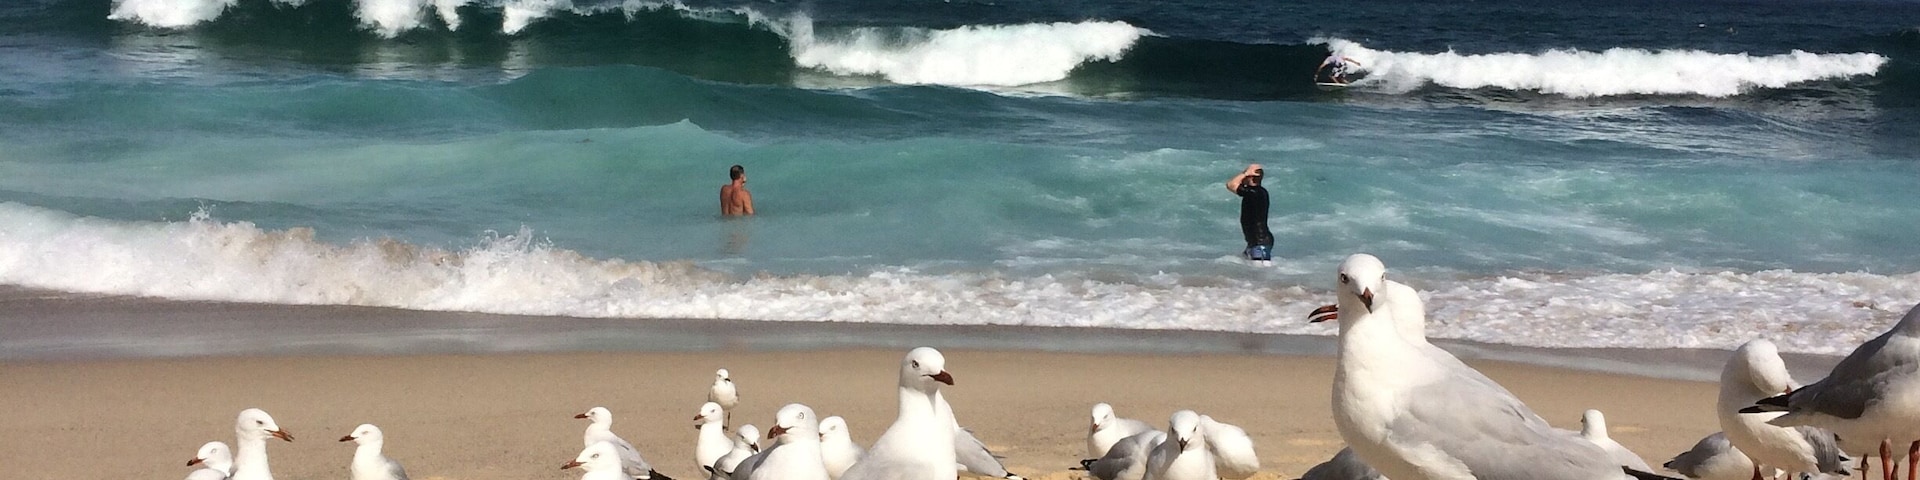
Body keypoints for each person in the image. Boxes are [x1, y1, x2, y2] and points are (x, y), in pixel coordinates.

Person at [1225, 163, 1274, 265]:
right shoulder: (1258, 192)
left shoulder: (1254, 192)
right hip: (1255, 242)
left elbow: (1230, 185)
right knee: (1242, 265)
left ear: (1251, 177)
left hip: (1260, 243)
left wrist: (1245, 173)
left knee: (1260, 275)